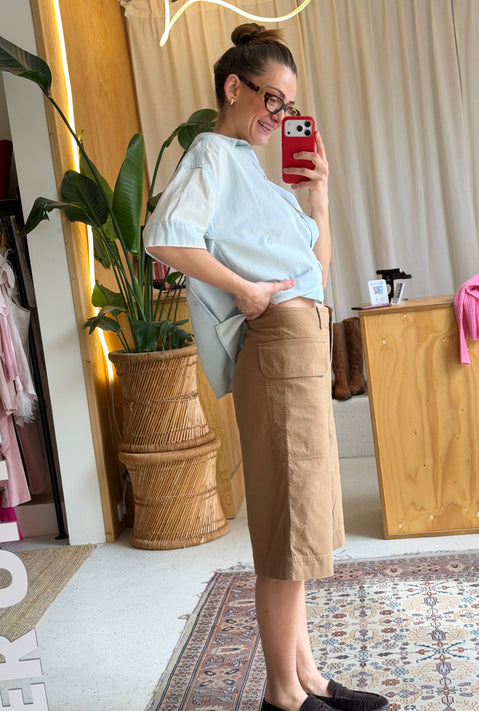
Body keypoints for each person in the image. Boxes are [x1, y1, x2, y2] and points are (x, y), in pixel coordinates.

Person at [143, 23, 388, 711]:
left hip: (301, 346)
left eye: (288, 106)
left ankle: (307, 676)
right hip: (277, 347)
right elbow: (164, 238)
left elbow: (316, 271)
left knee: (301, 519)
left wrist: (319, 194)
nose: (279, 116)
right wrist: (244, 290)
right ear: (234, 87)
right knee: (287, 522)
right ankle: (282, 694)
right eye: (272, 100)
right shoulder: (212, 154)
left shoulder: (254, 174)